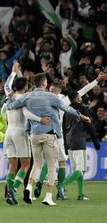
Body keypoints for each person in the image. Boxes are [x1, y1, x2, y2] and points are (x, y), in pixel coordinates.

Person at [6, 73, 89, 206]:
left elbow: (10, 106)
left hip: (34, 134)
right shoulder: (51, 97)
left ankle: (28, 188)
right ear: (44, 84)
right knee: (51, 165)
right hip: (49, 133)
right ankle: (48, 197)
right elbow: (67, 108)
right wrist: (81, 115)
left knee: (37, 164)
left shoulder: (27, 96)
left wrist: (9, 98)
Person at [34, 72, 107, 200]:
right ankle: (60, 190)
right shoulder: (62, 100)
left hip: (43, 132)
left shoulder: (42, 98)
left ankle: (40, 181)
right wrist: (96, 80)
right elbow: (82, 91)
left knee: (49, 161)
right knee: (61, 163)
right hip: (59, 135)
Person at [0, 63, 51, 205]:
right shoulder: (25, 98)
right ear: (26, 87)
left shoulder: (9, 95)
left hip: (9, 132)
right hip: (20, 132)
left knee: (12, 165)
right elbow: (26, 113)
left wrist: (13, 72)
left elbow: (6, 87)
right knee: (26, 164)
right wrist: (40, 119)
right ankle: (13, 190)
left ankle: (10, 193)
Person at [60, 92, 101, 200]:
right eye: (80, 97)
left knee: (77, 170)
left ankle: (81, 194)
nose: (81, 98)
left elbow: (64, 129)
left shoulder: (67, 111)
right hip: (79, 141)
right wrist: (96, 142)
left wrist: (65, 145)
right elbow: (89, 126)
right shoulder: (82, 109)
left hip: (69, 142)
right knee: (81, 170)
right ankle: (62, 185)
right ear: (77, 98)